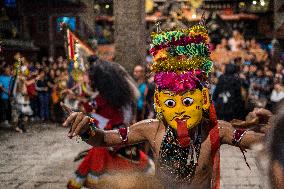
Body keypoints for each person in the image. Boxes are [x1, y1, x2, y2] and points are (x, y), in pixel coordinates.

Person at [63, 22, 267, 188]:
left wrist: (275, 126)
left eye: (187, 101)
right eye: (171, 102)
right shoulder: (150, 129)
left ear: (204, 99)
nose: (179, 109)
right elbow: (105, 139)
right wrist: (87, 129)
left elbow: (266, 145)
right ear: (159, 103)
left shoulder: (216, 131)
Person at [67, 59, 153, 189]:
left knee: (102, 170)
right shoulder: (120, 98)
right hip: (121, 136)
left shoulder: (101, 98)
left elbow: (89, 107)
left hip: (107, 137)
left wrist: (75, 102)